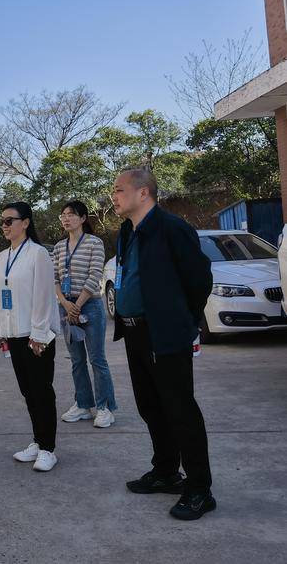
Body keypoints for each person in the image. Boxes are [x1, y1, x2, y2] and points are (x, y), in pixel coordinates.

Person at [111, 167, 215, 521]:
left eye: (119, 190)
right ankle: (166, 471)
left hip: (165, 334)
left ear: (143, 193)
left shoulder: (172, 228)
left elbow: (199, 279)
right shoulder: (127, 231)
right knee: (150, 406)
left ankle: (200, 490)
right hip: (134, 332)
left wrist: (183, 321)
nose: (114, 196)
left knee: (180, 410)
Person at [0, 202, 60, 472]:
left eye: (10, 220)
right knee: (28, 392)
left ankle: (48, 449)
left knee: (42, 392)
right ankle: (38, 441)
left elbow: (43, 296)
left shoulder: (38, 254)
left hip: (35, 337)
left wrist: (39, 334)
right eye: (2, 222)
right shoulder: (1, 257)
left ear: (26, 222)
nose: (5, 226)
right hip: (14, 333)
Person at [53, 200, 117, 428]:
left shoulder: (94, 243)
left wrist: (77, 305)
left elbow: (94, 275)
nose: (66, 218)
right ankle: (83, 404)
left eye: (71, 214)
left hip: (89, 306)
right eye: (63, 215)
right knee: (77, 360)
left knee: (97, 359)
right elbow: (55, 278)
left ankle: (104, 408)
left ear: (82, 218)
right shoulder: (59, 247)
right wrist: (65, 303)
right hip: (66, 307)